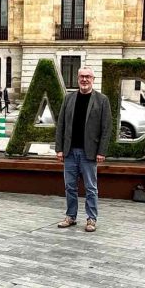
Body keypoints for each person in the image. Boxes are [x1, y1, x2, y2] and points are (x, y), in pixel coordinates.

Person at [55, 67, 112, 233]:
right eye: (82, 77)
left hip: (90, 153)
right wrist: (59, 149)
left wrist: (102, 151)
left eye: (88, 77)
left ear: (93, 79)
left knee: (91, 188)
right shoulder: (69, 99)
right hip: (70, 152)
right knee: (70, 187)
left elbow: (106, 128)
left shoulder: (102, 100)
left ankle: (91, 219)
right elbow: (61, 125)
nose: (84, 80)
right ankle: (71, 216)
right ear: (78, 78)